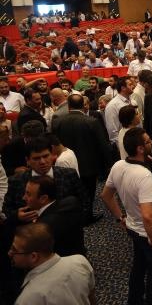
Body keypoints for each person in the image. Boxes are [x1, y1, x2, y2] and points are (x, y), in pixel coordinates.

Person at [101, 127, 152, 305]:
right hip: (151, 233)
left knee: (139, 267)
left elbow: (106, 195)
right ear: (140, 149)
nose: (151, 142)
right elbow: (148, 216)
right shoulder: (143, 175)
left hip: (134, 228)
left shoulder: (118, 165)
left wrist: (119, 218)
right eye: (148, 141)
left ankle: (134, 300)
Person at [52, 93, 111, 224]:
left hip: (66, 163)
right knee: (89, 192)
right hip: (89, 164)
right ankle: (87, 216)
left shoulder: (58, 122)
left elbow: (55, 144)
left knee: (71, 192)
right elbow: (102, 144)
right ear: (83, 106)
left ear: (69, 106)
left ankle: (74, 217)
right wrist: (108, 164)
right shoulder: (92, 121)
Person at [2, 136, 87, 227]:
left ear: (52, 155)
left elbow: (84, 202)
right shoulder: (16, 181)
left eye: (46, 156)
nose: (42, 162)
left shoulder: (69, 175)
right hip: (30, 231)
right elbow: (6, 209)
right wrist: (17, 217)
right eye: (36, 158)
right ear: (28, 161)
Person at [9, 223, 95, 305]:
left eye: (14, 250)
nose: (9, 253)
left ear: (33, 257)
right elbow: (91, 296)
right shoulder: (79, 261)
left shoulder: (27, 299)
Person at [22, 175, 86, 256]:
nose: (24, 197)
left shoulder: (42, 228)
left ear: (43, 199)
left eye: (28, 194)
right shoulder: (71, 202)